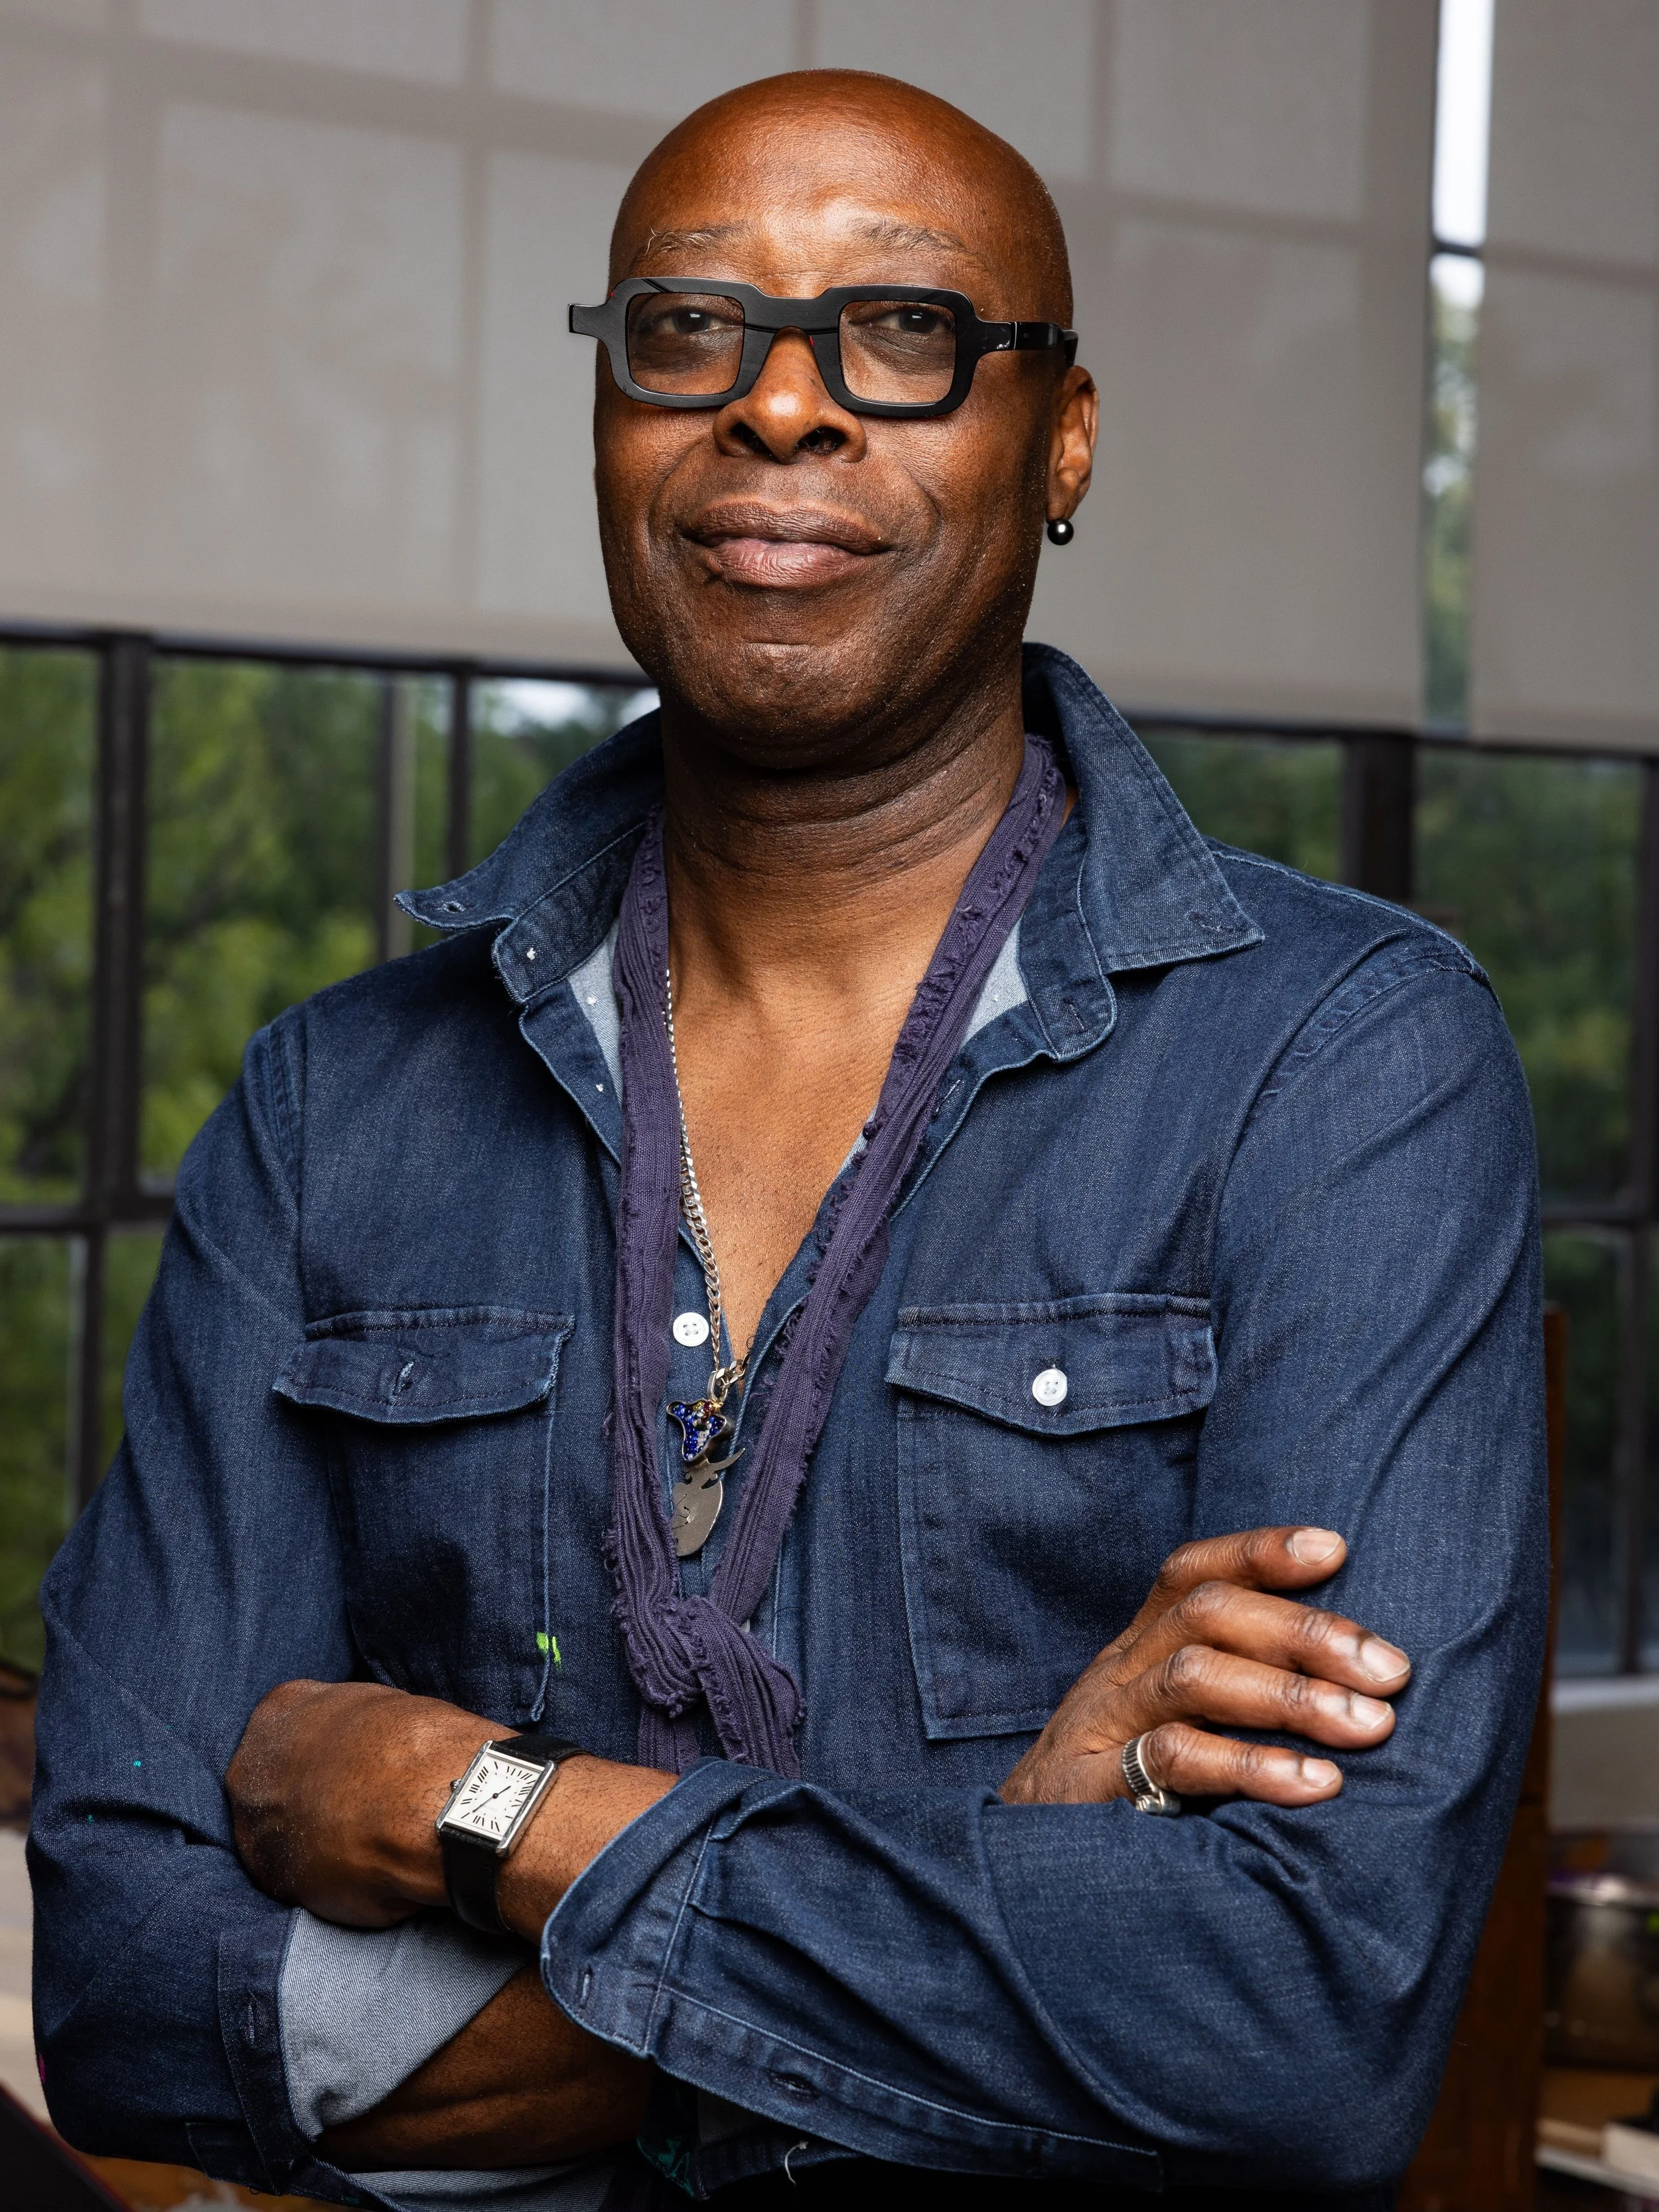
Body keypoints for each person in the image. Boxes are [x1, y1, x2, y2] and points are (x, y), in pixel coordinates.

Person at [31, 68, 1546, 2212]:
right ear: (609, 417)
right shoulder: (334, 1106)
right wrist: (1014, 1856)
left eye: (904, 335)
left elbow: (1298, 2023)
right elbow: (122, 1994)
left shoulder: (1338, 1063)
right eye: (690, 330)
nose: (780, 410)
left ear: (1066, 441)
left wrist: (491, 1811)